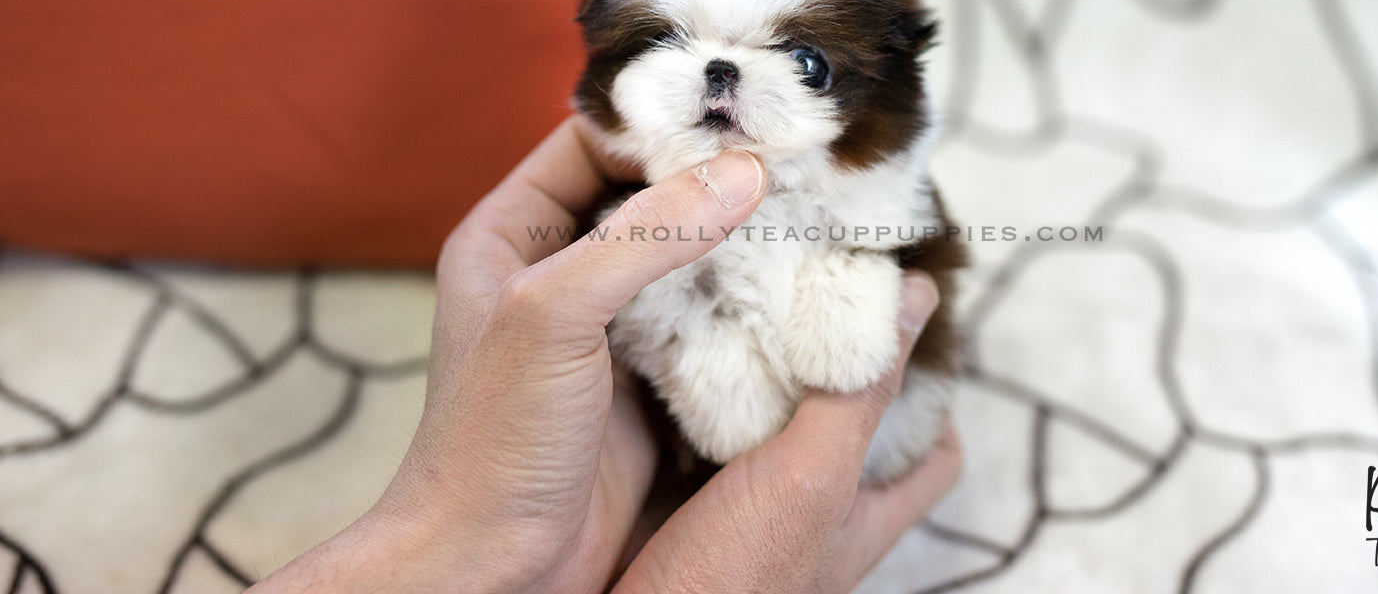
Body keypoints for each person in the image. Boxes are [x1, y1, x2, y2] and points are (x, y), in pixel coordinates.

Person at [253, 115, 961, 593]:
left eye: (807, 62)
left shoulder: (878, 201)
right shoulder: (630, 218)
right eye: (668, 36)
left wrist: (458, 540)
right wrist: (467, 532)